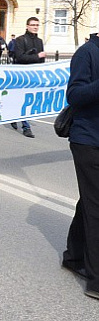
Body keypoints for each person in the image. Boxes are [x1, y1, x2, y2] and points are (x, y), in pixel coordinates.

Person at [63, 32, 99, 300]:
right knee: (96, 206)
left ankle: (74, 257)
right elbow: (74, 95)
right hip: (88, 139)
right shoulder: (86, 53)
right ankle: (96, 281)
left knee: (89, 201)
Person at [10, 17, 45, 138]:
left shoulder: (40, 41)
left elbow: (41, 60)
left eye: (37, 25)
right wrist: (37, 56)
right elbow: (20, 57)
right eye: (33, 25)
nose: (35, 27)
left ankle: (12, 115)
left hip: (33, 76)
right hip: (21, 76)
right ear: (27, 26)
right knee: (22, 100)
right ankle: (26, 127)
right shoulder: (20, 40)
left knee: (28, 100)